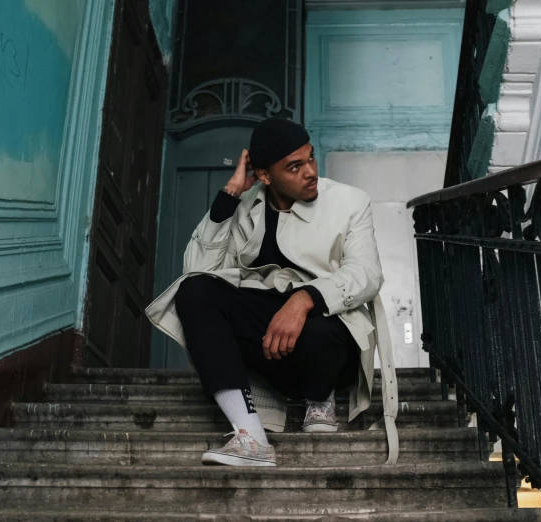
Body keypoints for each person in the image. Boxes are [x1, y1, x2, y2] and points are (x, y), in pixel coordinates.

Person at [145, 117, 397, 467]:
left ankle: (320, 398)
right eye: (295, 166)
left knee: (322, 329)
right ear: (264, 175)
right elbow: (199, 270)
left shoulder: (350, 201)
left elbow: (366, 273)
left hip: (327, 342)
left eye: (311, 158)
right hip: (270, 348)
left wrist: (303, 299)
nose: (310, 171)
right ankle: (250, 436)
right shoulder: (248, 205)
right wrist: (230, 196)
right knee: (196, 291)